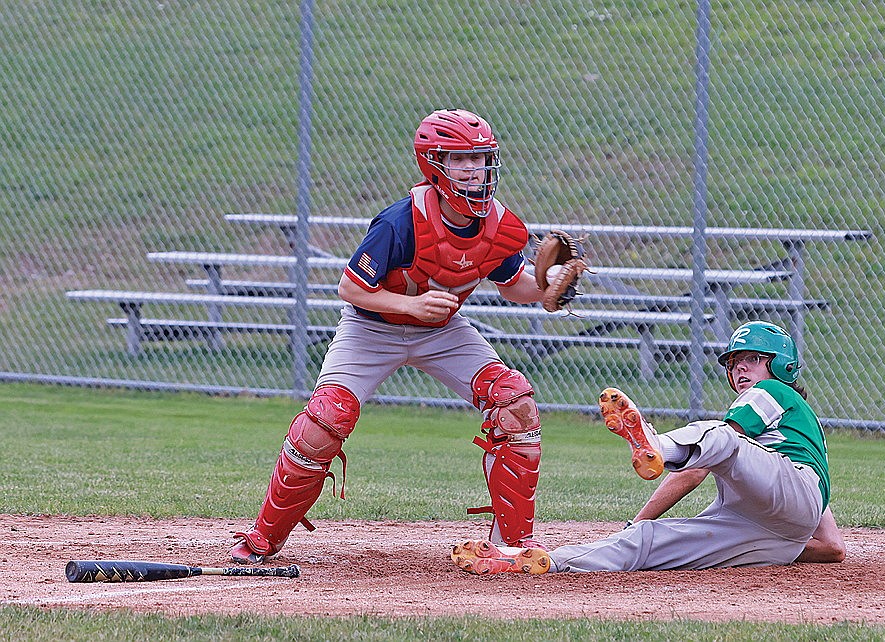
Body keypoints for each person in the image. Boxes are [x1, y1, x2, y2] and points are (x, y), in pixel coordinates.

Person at [231, 109, 549, 563]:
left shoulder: (497, 225)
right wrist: (409, 306)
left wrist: (549, 287)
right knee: (324, 420)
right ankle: (262, 539)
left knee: (514, 402)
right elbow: (351, 288)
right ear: (433, 165)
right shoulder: (400, 222)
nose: (475, 170)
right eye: (461, 160)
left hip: (442, 331)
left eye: (480, 159)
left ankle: (513, 545)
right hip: (371, 328)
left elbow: (515, 284)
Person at [452, 320, 844, 575]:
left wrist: (655, 458)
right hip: (773, 529)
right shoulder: (788, 441)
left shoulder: (773, 392)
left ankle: (655, 443)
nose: (741, 369)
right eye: (735, 362)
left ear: (783, 367)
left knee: (721, 436)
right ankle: (535, 561)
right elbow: (831, 547)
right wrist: (777, 549)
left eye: (754, 360)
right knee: (645, 544)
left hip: (790, 497)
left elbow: (700, 466)